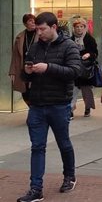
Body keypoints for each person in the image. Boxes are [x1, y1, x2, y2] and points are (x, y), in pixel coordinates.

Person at [18, 12, 81, 202]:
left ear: (54, 28)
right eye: (37, 29)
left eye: (42, 29)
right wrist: (27, 72)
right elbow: (25, 76)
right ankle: (35, 189)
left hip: (59, 104)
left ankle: (69, 176)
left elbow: (74, 71)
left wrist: (48, 67)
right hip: (37, 105)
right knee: (37, 147)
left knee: (63, 143)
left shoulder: (69, 46)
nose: (39, 33)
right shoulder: (35, 47)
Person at [70, 17, 98, 118]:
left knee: (86, 90)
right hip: (75, 67)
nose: (79, 29)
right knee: (73, 89)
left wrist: (89, 55)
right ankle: (71, 109)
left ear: (84, 27)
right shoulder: (71, 39)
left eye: (81, 26)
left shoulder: (89, 39)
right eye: (77, 27)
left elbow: (95, 53)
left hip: (86, 69)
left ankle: (88, 107)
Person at [9, 13, 37, 104]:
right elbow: (15, 55)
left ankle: (34, 114)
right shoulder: (19, 37)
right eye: (30, 21)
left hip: (36, 67)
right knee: (25, 93)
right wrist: (12, 71)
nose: (33, 22)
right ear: (25, 24)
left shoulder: (40, 35)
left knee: (34, 91)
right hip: (23, 68)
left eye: (34, 20)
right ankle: (33, 111)